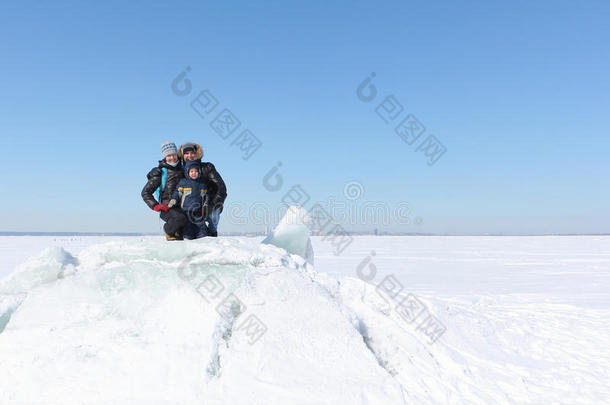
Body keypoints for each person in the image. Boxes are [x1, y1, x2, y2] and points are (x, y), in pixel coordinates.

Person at [141, 141, 187, 241]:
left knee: (185, 231)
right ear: (165, 157)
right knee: (180, 219)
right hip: (167, 208)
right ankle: (168, 230)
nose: (172, 158)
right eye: (168, 155)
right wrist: (156, 205)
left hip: (182, 207)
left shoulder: (184, 170)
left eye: (173, 154)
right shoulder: (160, 172)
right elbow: (145, 192)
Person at [178, 142, 227, 237]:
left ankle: (212, 233)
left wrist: (211, 205)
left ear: (197, 154)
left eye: (192, 153)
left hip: (207, 203)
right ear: (182, 155)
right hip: (188, 206)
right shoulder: (180, 170)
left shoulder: (207, 168)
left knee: (213, 215)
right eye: (186, 153)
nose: (190, 156)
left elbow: (221, 188)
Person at [168, 160, 209, 239]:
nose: (194, 173)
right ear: (187, 172)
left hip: (198, 211)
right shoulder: (183, 182)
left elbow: (206, 195)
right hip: (186, 211)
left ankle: (202, 238)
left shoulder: (202, 184)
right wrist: (174, 200)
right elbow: (178, 192)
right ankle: (187, 238)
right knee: (188, 227)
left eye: (196, 171)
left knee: (201, 226)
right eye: (191, 171)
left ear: (199, 172)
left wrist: (206, 202)